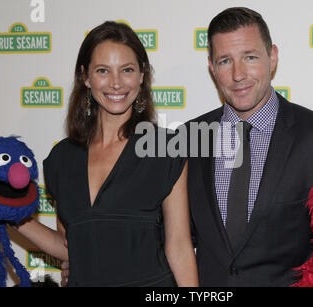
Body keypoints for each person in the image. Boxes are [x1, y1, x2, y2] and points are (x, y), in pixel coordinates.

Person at [185, 7, 313, 286]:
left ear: (272, 57)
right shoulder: (187, 139)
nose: (238, 74)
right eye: (225, 61)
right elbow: (176, 238)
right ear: (212, 67)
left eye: (250, 57)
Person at [17, 21, 198, 287]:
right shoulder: (61, 159)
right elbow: (72, 248)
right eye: (103, 71)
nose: (116, 83)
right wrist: (7, 214)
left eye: (127, 70)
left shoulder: (167, 148)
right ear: (85, 77)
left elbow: (179, 247)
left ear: (141, 75)